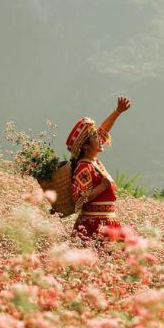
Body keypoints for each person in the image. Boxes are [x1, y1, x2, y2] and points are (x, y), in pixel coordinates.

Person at [66, 96, 131, 243]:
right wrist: (102, 187)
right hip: (92, 228)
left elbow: (103, 130)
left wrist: (118, 111)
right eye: (95, 138)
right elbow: (78, 201)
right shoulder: (84, 167)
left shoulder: (94, 162)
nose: (100, 139)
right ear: (86, 146)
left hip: (108, 224)